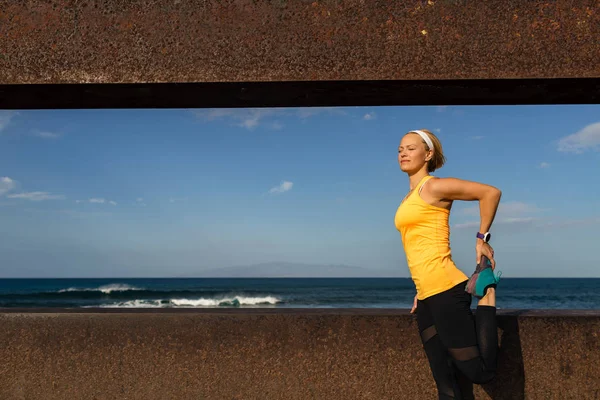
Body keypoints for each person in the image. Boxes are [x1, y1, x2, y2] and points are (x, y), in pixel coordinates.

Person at [394, 129, 502, 399]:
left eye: (410, 148)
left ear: (428, 154)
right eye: (400, 149)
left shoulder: (433, 186)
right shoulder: (409, 196)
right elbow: (418, 247)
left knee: (480, 373)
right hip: (427, 295)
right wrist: (420, 289)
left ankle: (487, 292)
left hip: (446, 289)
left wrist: (481, 238)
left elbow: (490, 192)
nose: (403, 153)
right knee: (446, 383)